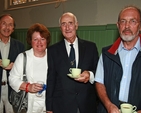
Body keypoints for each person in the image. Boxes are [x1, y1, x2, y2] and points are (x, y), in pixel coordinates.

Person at [46, 12, 99, 113]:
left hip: (86, 104)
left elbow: (99, 71)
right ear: (60, 28)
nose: (67, 28)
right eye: (63, 24)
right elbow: (51, 79)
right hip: (62, 105)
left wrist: (90, 74)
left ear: (76, 25)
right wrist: (49, 107)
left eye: (70, 23)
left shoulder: (90, 47)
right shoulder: (53, 50)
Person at [95, 6, 141, 113]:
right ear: (118, 25)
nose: (127, 26)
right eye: (123, 21)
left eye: (133, 21)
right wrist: (108, 105)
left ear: (140, 26)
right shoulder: (107, 53)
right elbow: (99, 82)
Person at [9, 23, 51, 113]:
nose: (39, 43)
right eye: (35, 39)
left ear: (47, 41)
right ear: (30, 41)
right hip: (28, 105)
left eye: (42, 39)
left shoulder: (53, 57)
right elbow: (12, 79)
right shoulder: (23, 57)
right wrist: (28, 87)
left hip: (48, 105)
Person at [0, 14, 25, 113]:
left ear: (13, 28)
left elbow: (24, 68)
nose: (7, 27)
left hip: (12, 89)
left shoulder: (19, 46)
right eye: (4, 24)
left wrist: (15, 67)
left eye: (10, 25)